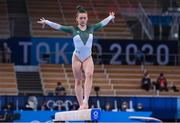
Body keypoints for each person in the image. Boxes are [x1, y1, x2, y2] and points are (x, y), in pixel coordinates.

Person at [37, 6, 115, 110]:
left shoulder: (91, 28)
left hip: (88, 57)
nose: (83, 20)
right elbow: (59, 26)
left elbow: (102, 23)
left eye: (84, 18)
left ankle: (86, 100)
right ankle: (81, 104)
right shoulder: (72, 29)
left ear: (87, 18)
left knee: (89, 75)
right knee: (78, 81)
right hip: (77, 57)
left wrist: (110, 17)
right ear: (77, 19)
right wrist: (46, 22)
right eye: (81, 18)